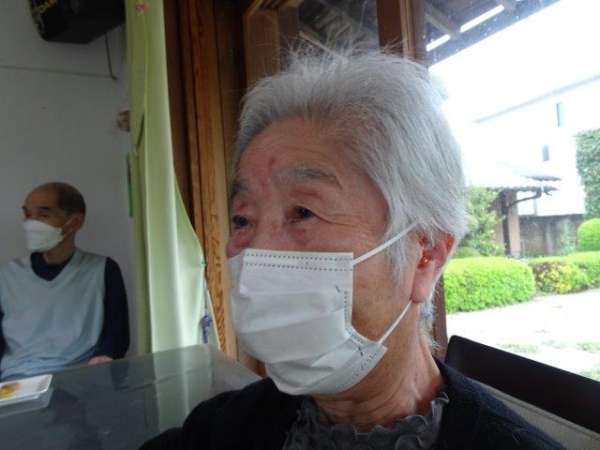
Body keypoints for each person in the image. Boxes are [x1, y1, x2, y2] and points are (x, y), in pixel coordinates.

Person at [141, 50, 564, 450]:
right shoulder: (223, 428)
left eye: (303, 212)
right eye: (242, 219)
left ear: (426, 255)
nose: (255, 254)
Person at [0, 182, 129, 380]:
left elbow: (117, 335)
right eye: (27, 214)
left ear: (74, 222)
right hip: (17, 380)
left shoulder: (102, 270)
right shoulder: (8, 275)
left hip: (78, 378)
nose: (31, 223)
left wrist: (104, 359)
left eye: (43, 215)